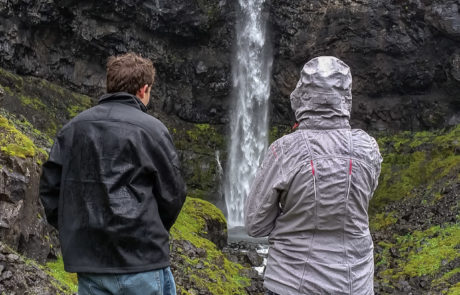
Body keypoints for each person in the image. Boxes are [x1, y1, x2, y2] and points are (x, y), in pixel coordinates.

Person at [39, 52, 186, 295]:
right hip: (142, 259)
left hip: (90, 261)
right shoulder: (153, 131)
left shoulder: (73, 129)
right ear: (144, 89)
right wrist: (149, 230)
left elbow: (50, 190)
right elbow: (173, 194)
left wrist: (76, 229)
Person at [245, 56, 382, 295]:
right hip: (355, 284)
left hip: (291, 283)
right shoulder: (368, 148)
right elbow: (361, 200)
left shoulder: (285, 150)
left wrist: (293, 212)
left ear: (302, 94)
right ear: (346, 96)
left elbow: (255, 225)